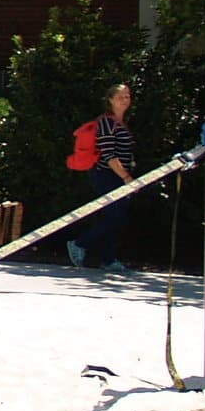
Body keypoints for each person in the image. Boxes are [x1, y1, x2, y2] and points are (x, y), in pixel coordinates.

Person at [66, 82, 138, 272]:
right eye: (121, 96)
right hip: (106, 174)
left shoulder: (121, 122)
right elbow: (108, 154)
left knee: (117, 216)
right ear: (110, 100)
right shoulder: (106, 122)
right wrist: (126, 177)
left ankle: (108, 259)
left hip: (118, 175)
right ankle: (80, 244)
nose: (125, 100)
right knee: (115, 216)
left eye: (128, 96)